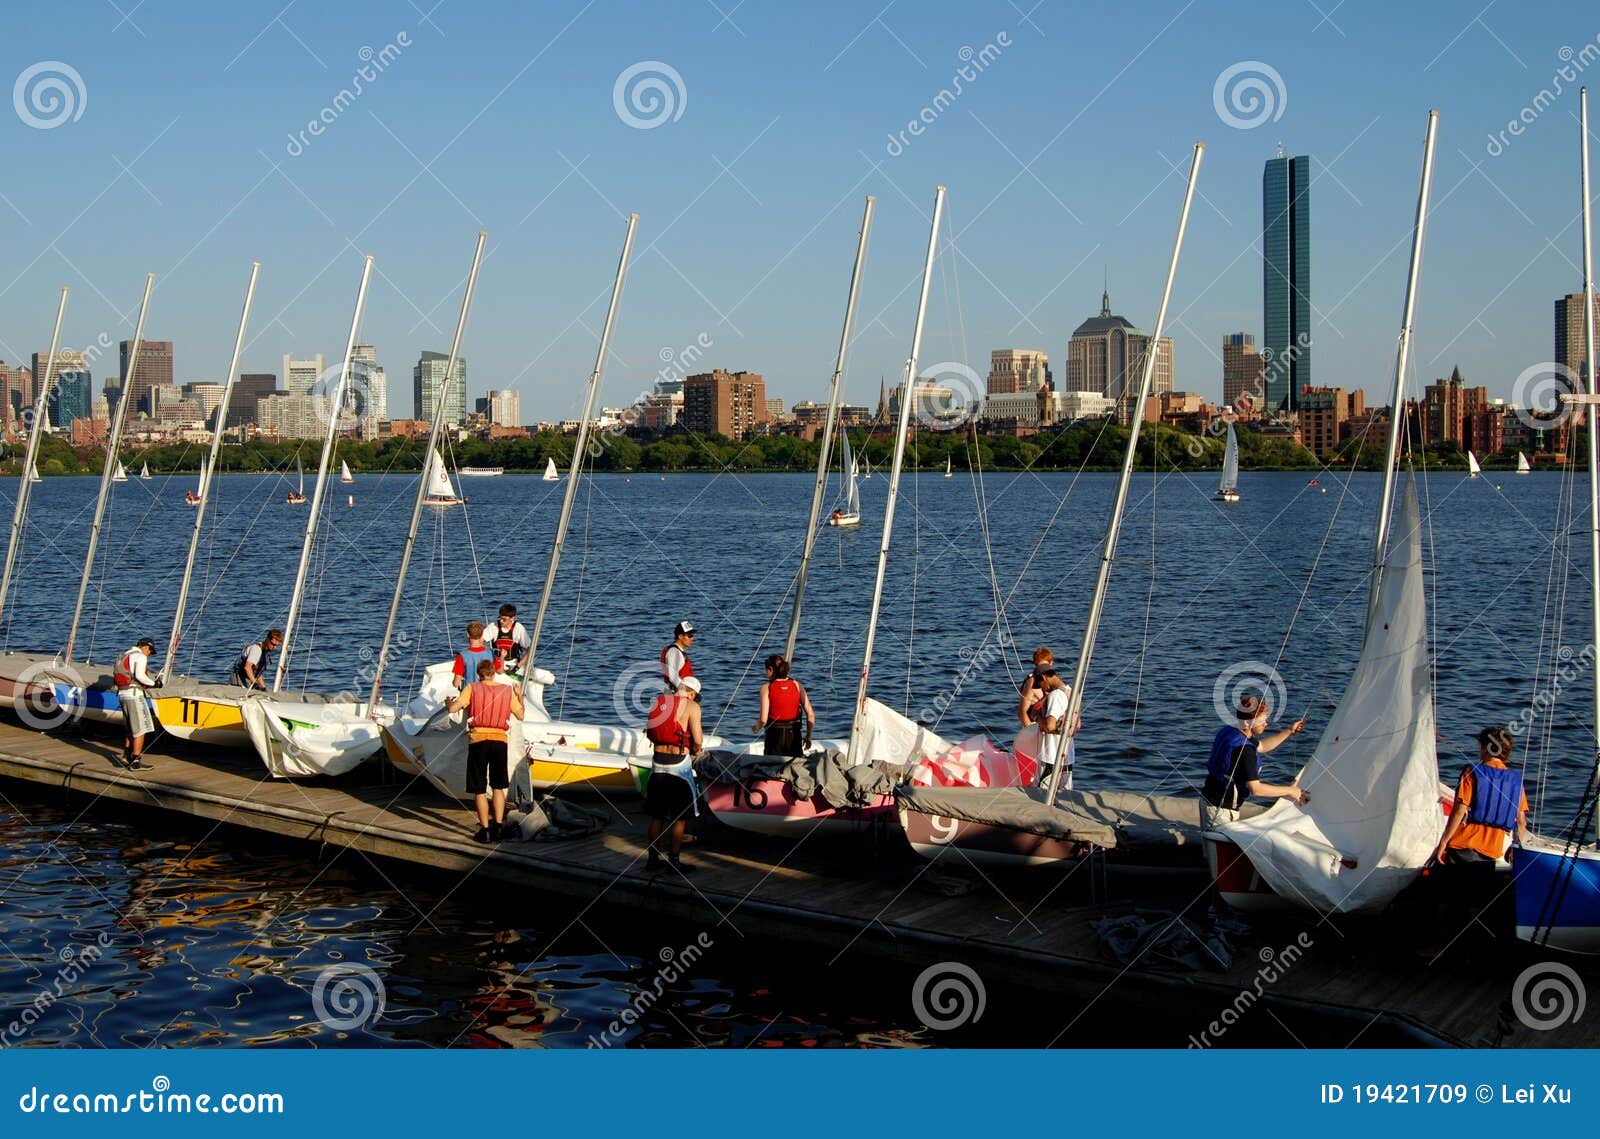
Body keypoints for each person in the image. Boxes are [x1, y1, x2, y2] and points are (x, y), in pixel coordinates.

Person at [1199, 694, 1308, 830]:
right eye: (1262, 721)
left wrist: (1289, 731)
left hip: (1208, 798)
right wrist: (1291, 791)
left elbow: (1261, 746)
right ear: (1247, 723)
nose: (1266, 724)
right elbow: (1256, 789)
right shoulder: (1245, 750)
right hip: (1221, 810)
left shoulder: (1231, 731)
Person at [447, 659, 525, 843]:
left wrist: (448, 703)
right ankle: (498, 826)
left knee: (479, 788)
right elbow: (521, 715)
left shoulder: (472, 688)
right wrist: (519, 696)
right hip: (499, 741)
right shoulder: (507, 691)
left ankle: (485, 830)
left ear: (478, 674)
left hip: (478, 741)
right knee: (498, 785)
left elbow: (453, 709)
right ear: (493, 673)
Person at [1432, 726, 1529, 871]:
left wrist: (1443, 842)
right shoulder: (1516, 781)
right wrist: (1515, 850)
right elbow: (1521, 823)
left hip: (1462, 848)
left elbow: (1459, 810)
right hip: (1491, 854)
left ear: (1485, 749)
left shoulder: (1472, 772)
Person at [644, 674, 703, 873]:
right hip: (679, 766)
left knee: (657, 815)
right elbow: (697, 740)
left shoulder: (660, 701)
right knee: (680, 817)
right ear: (692, 693)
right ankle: (674, 861)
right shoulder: (692, 706)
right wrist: (696, 750)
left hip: (657, 762)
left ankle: (652, 859)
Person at [751, 654, 815, 758]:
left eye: (765, 670)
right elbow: (811, 714)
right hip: (794, 736)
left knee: (772, 767)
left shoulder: (766, 688)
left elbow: (763, 720)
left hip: (774, 737)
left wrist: (756, 728)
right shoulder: (798, 685)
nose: (765, 673)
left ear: (771, 669)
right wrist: (808, 736)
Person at [114, 637, 161, 771]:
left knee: (130, 728)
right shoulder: (140, 656)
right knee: (141, 728)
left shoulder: (123, 656)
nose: (149, 654)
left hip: (122, 694)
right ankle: (135, 761)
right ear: (146, 647)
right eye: (150, 651)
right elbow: (140, 676)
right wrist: (155, 684)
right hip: (134, 695)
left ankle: (126, 757)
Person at [1031, 665, 1082, 788]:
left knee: (1043, 794)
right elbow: (1078, 725)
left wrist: (1036, 717)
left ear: (1044, 677)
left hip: (1052, 755)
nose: (1043, 689)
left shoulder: (1056, 695)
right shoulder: (1073, 692)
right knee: (1064, 795)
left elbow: (1050, 726)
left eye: (1040, 684)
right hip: (1068, 755)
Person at [451, 621, 494, 691]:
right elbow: (499, 671)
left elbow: (456, 684)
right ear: (482, 634)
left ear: (468, 634)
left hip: (469, 695)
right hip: (487, 693)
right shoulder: (491, 653)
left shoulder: (462, 656)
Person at [1018, 647, 1055, 727]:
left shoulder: (1053, 680)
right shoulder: (1032, 681)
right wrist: (1029, 731)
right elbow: (1022, 712)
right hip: (1034, 727)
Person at [487, 604, 529, 673]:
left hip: (513, 664)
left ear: (512, 618)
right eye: (500, 618)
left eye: (504, 619)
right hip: (496, 664)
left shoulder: (518, 628)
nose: (501, 621)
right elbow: (479, 640)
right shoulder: (493, 626)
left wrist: (518, 666)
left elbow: (530, 649)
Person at [660, 620, 695, 692]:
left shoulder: (678, 651)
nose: (692, 639)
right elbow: (673, 677)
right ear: (680, 636)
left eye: (692, 636)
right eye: (689, 636)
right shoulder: (674, 652)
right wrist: (685, 691)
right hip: (676, 695)